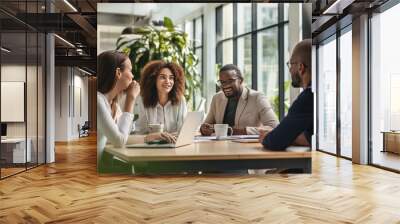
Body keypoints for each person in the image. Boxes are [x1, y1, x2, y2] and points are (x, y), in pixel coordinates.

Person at [97, 51, 175, 173]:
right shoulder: (98, 101)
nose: (133, 76)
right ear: (118, 73)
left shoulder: (113, 105)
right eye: (130, 70)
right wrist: (130, 99)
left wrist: (151, 137)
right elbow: (119, 142)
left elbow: (121, 137)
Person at [259, 39, 313, 150]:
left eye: (290, 64)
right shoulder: (322, 94)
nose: (289, 70)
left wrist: (266, 137)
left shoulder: (307, 98)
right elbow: (310, 137)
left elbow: (274, 141)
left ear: (300, 67)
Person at [200, 64, 278, 136]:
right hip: (219, 146)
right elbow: (207, 124)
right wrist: (204, 129)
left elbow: (274, 127)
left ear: (240, 80)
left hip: (247, 149)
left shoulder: (257, 98)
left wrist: (231, 131)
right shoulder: (217, 98)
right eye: (223, 82)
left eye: (230, 81)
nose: (226, 85)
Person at [134, 60, 187, 135]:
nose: (167, 81)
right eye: (163, 77)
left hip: (174, 144)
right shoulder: (142, 100)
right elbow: (141, 132)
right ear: (153, 80)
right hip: (149, 145)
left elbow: (183, 130)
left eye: (171, 78)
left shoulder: (181, 100)